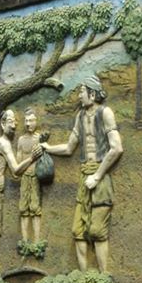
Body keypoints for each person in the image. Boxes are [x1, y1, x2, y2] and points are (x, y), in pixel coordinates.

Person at [41, 75, 123, 273]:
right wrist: (48, 148)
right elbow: (69, 148)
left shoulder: (105, 113)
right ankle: (83, 276)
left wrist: (97, 176)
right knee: (78, 230)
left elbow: (117, 148)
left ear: (92, 94)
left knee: (97, 230)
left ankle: (103, 277)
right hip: (85, 175)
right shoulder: (80, 116)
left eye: (82, 92)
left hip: (100, 177)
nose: (79, 96)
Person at [0, 109, 41, 271]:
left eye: (15, 122)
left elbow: (15, 172)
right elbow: (15, 169)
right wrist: (32, 158)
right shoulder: (3, 143)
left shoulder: (7, 142)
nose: (14, 125)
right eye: (10, 122)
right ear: (2, 124)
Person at [16, 108, 42, 243]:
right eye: (26, 121)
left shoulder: (40, 139)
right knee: (23, 209)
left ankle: (37, 242)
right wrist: (31, 158)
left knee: (35, 209)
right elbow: (18, 164)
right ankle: (25, 242)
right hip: (25, 178)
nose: (28, 124)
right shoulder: (21, 140)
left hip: (36, 177)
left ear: (36, 121)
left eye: (31, 120)